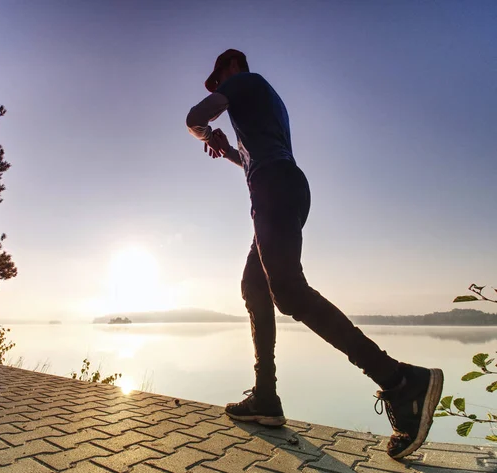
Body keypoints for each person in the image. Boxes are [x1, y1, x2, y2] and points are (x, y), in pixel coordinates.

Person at [185, 49, 444, 459]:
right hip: (280, 185)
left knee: (287, 291)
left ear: (233, 66)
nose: (218, 88)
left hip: (275, 188)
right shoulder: (262, 104)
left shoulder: (245, 82)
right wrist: (227, 149)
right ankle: (266, 397)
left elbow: (194, 117)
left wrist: (204, 132)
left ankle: (400, 381)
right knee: (254, 286)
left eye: (219, 79)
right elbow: (252, 159)